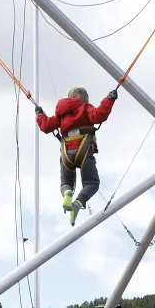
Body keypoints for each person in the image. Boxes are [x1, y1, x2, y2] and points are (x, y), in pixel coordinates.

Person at [36, 87, 117, 226]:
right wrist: (109, 99)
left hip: (67, 153)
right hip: (84, 151)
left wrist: (40, 114)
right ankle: (78, 202)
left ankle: (67, 193)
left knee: (66, 182)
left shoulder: (61, 115)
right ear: (85, 100)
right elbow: (100, 114)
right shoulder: (85, 109)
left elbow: (46, 126)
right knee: (92, 183)